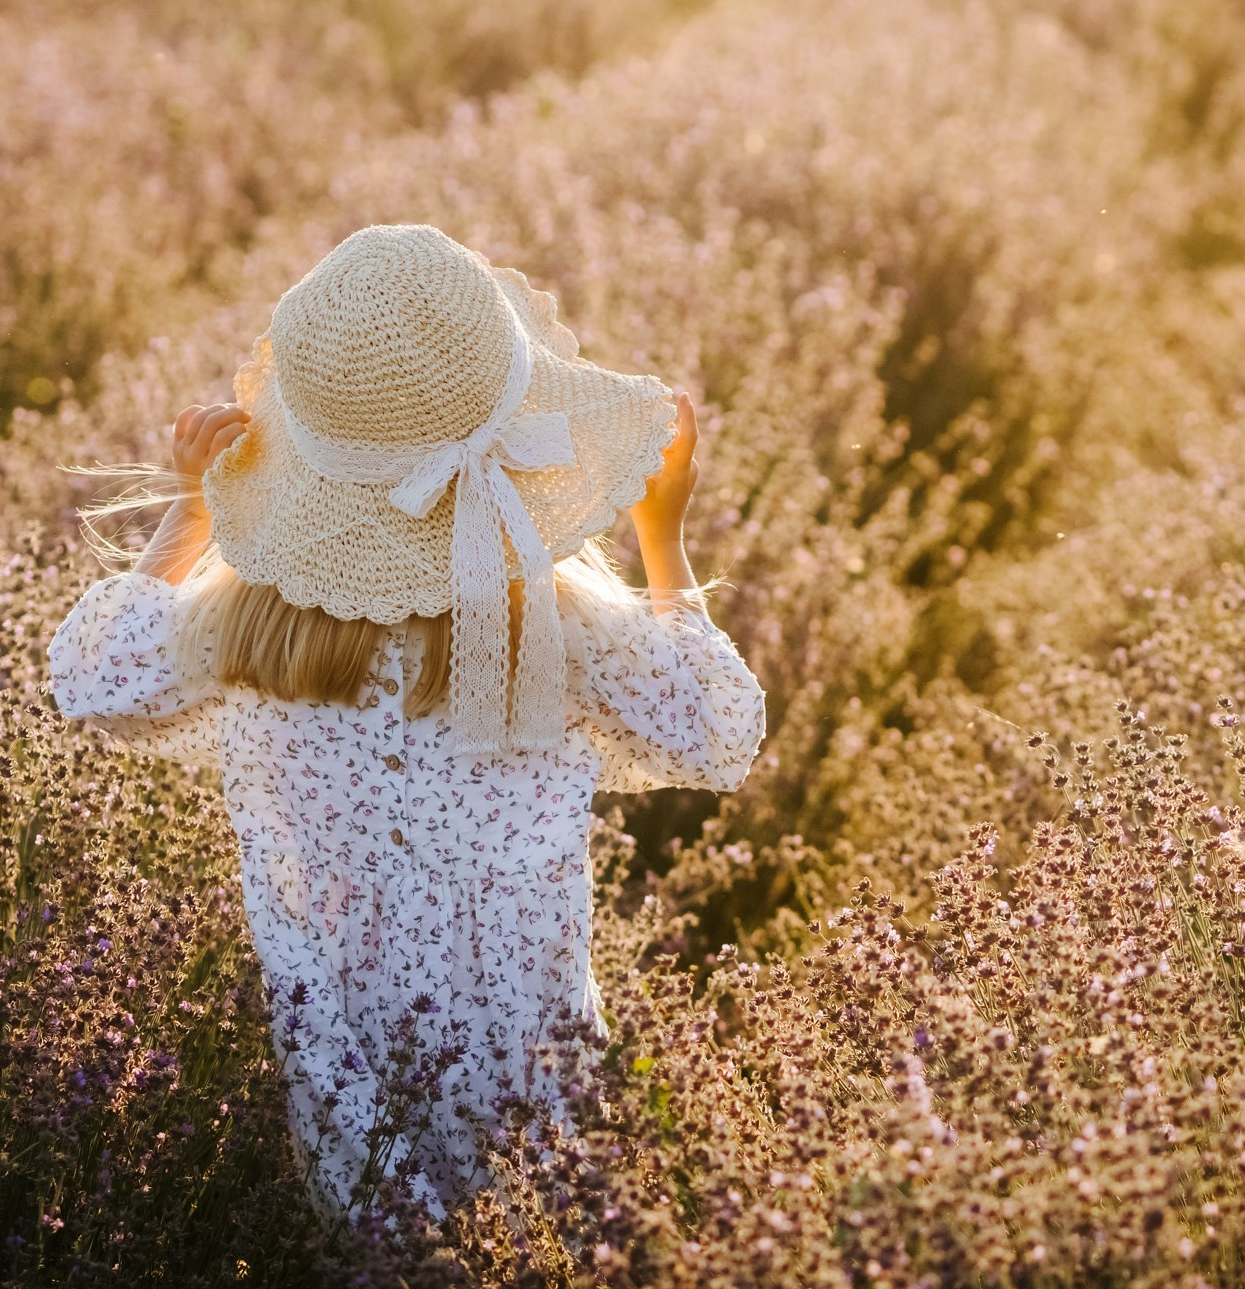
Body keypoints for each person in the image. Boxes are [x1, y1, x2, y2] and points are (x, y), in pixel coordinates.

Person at [46, 224, 764, 1219]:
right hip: (526, 1043)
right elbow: (716, 728)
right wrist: (659, 533)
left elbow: (96, 678)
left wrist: (189, 517)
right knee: (537, 1249)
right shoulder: (549, 626)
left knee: (386, 1274)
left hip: (343, 1061)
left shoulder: (243, 621)